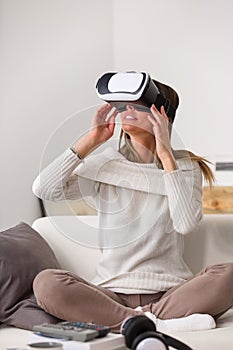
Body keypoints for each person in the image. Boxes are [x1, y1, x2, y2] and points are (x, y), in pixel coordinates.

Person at [32, 73, 233, 333]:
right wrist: (91, 140)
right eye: (122, 105)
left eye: (137, 105)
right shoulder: (105, 164)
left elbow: (185, 224)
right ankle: (157, 323)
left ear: (163, 114)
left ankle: (127, 323)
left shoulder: (186, 168)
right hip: (110, 294)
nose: (126, 111)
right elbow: (44, 188)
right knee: (46, 283)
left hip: (170, 293)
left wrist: (166, 156)